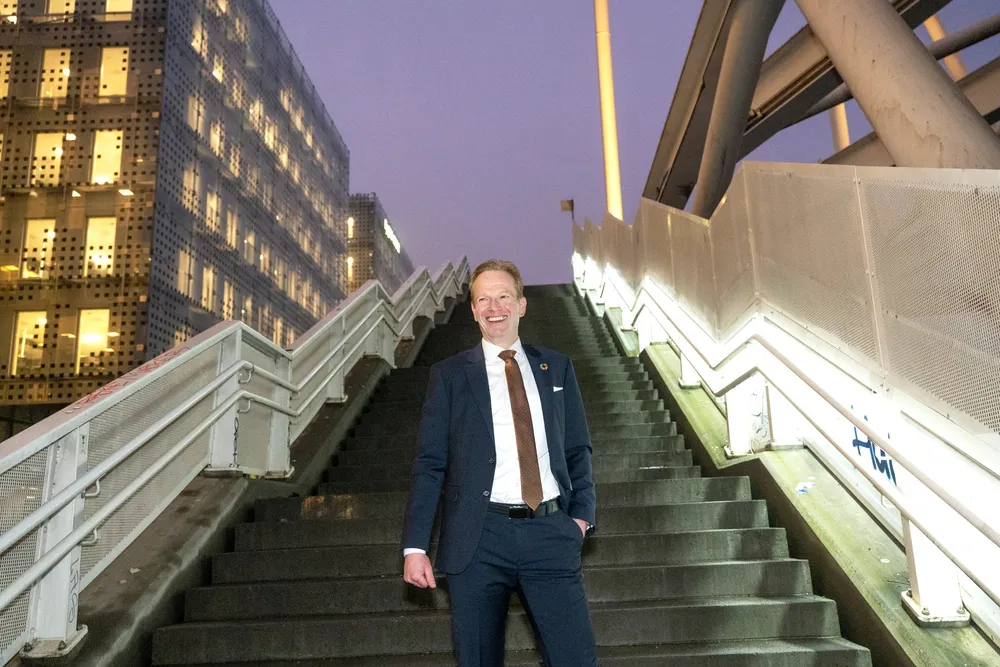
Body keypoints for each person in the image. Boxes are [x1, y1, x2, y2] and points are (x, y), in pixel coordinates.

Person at [401, 259, 599, 667]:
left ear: (521, 304)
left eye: (504, 296)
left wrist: (580, 517)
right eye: (483, 299)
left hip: (550, 532)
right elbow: (430, 463)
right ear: (473, 310)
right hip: (478, 540)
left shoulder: (556, 367)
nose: (494, 307)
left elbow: (577, 448)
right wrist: (415, 546)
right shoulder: (450, 376)